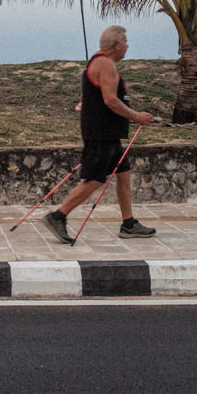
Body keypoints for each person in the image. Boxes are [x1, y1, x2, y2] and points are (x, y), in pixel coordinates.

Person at [43, 25, 156, 242]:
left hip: (109, 134)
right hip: (101, 134)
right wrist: (136, 116)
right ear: (116, 45)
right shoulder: (105, 63)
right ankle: (58, 216)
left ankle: (129, 223)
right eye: (125, 42)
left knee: (123, 174)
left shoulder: (101, 62)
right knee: (94, 179)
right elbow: (110, 100)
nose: (128, 46)